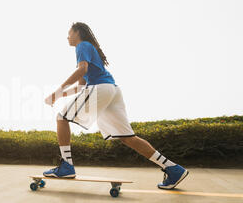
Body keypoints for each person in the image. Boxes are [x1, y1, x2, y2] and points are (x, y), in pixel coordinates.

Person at [43, 22, 189, 190]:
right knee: (128, 137)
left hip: (101, 89)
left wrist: (58, 91)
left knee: (61, 118)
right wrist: (58, 96)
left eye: (69, 33)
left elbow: (81, 70)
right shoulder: (91, 49)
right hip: (112, 91)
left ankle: (66, 166)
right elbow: (82, 84)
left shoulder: (82, 45)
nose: (67, 37)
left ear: (78, 33)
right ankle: (173, 168)